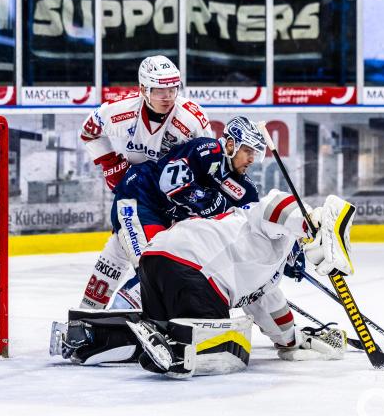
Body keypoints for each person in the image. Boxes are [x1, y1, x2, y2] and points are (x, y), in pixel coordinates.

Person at [50, 190, 354, 377]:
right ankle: (176, 347)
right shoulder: (277, 231)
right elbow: (275, 203)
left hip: (156, 260)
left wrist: (293, 341)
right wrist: (311, 221)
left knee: (160, 327)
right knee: (230, 350)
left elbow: (272, 311)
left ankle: (87, 336)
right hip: (193, 268)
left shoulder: (267, 279)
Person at [78, 55, 213, 310]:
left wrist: (194, 201)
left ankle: (98, 316)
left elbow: (208, 163)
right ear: (143, 89)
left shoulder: (192, 119)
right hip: (137, 193)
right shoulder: (119, 112)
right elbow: (88, 131)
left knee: (144, 257)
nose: (167, 96)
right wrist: (109, 163)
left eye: (172, 88)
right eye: (159, 89)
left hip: (175, 201)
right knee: (135, 257)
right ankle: (87, 315)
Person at [104, 117, 264, 308]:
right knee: (152, 268)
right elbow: (171, 182)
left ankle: (145, 323)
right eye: (247, 151)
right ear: (231, 145)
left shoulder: (244, 188)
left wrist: (284, 254)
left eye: (254, 153)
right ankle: (116, 320)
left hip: (164, 218)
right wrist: (211, 202)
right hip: (140, 199)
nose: (252, 159)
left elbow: (257, 221)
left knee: (166, 270)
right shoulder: (208, 150)